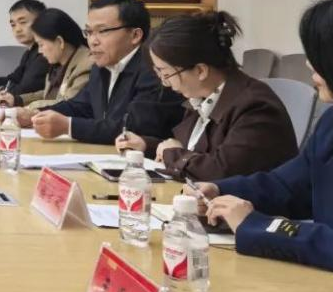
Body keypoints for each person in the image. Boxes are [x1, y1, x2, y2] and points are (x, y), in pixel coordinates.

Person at [188, 0, 333, 276]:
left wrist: (257, 226)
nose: (308, 64)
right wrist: (220, 191)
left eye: (319, 54)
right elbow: (287, 186)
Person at [117, 11, 297, 180]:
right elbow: (192, 152)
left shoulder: (255, 106)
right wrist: (147, 146)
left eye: (166, 74)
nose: (165, 83)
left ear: (200, 71)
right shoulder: (203, 96)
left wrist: (170, 153)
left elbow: (221, 171)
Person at [31, 0, 184, 144]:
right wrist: (35, 115)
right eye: (89, 32)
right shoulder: (102, 66)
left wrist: (69, 126)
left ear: (135, 35)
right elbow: (81, 106)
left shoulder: (155, 69)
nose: (92, 41)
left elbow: (135, 127)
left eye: (102, 31)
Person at [7, 8, 92, 124]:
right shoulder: (57, 65)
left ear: (60, 42)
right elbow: (49, 96)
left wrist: (32, 109)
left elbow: (69, 104)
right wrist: (18, 100)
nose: (40, 51)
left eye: (41, 44)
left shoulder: (86, 65)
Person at [0, 0, 49, 99]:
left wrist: (3, 91)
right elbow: (13, 79)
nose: (17, 29)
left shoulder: (46, 52)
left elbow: (26, 89)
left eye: (23, 22)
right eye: (13, 25)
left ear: (42, 22)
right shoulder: (29, 52)